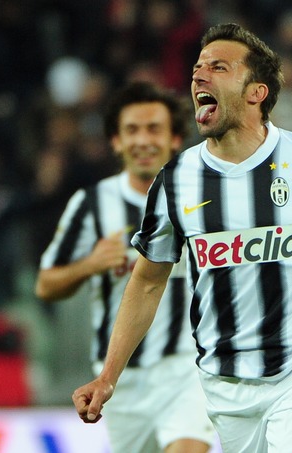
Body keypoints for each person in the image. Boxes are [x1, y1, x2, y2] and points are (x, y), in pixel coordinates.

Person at [71, 23, 292, 453]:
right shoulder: (177, 181)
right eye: (197, 67)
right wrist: (109, 375)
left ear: (255, 92)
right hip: (227, 382)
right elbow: (148, 280)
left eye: (218, 67)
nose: (199, 76)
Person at [35, 81, 214, 453]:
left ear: (176, 138)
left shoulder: (203, 197)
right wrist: (89, 265)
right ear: (116, 142)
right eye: (132, 130)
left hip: (187, 367)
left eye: (154, 129)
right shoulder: (92, 204)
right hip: (120, 379)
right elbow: (46, 285)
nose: (143, 140)